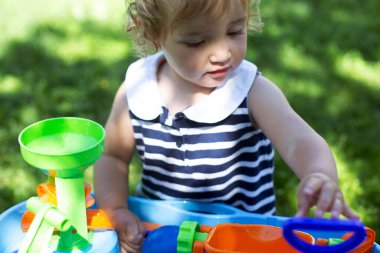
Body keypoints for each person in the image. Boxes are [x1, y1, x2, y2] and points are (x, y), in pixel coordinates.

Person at [94, 0, 359, 252]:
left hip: (244, 239)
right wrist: (116, 209)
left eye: (235, 31)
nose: (222, 53)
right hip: (163, 234)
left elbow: (299, 139)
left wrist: (319, 173)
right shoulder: (138, 88)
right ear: (153, 33)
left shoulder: (250, 91)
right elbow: (112, 156)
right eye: (197, 41)